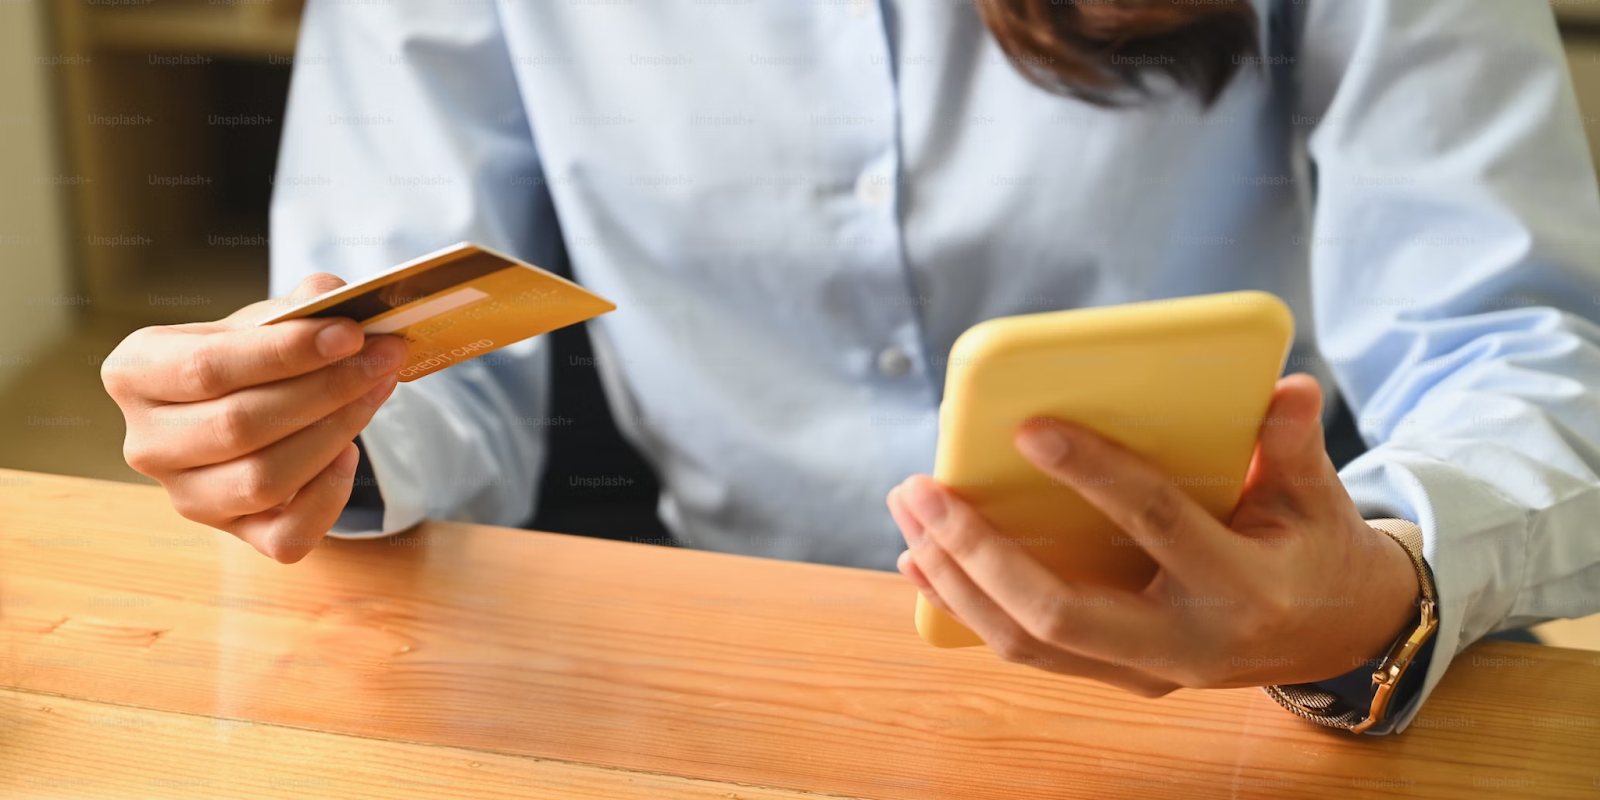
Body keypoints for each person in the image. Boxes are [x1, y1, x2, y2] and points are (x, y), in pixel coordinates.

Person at [102, 0, 1600, 734]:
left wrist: (1387, 587)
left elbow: (1529, 346)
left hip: (1244, 664)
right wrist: (309, 425)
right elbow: (413, 351)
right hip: (727, 675)